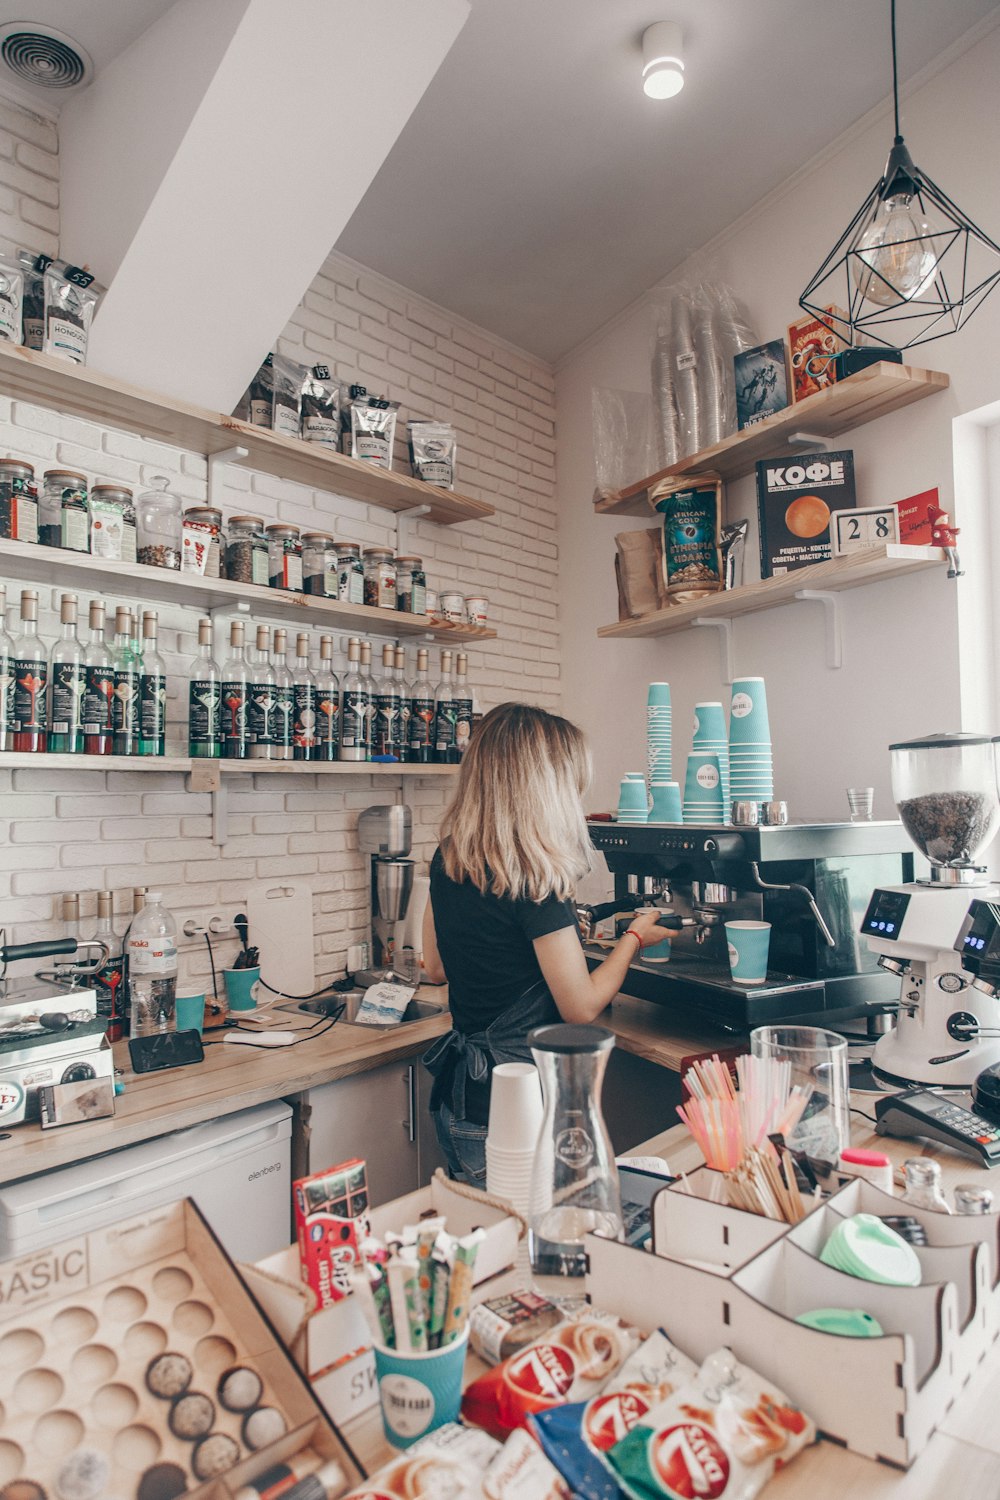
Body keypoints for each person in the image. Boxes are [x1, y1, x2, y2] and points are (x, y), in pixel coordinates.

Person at [421, 702, 666, 1186]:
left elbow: (435, 968)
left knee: (488, 1239)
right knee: (529, 1246)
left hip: (462, 1100)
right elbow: (581, 1007)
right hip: (515, 1109)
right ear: (546, 787)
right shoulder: (538, 881)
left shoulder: (448, 857)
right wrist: (635, 937)